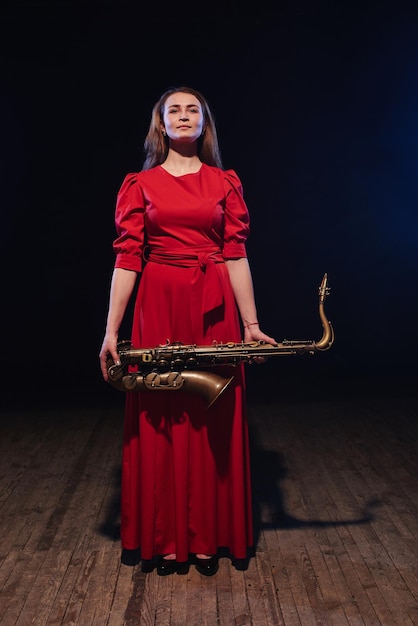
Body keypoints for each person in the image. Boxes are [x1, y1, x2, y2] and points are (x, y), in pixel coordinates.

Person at [99, 86, 276, 577]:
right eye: (172, 109)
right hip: (158, 305)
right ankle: (165, 538)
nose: (182, 116)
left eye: (191, 109)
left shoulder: (225, 182)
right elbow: (127, 259)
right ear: (160, 123)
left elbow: (236, 254)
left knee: (213, 418)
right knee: (162, 416)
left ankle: (210, 537)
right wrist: (111, 331)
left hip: (212, 306)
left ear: (204, 123)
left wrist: (252, 325)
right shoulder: (139, 184)